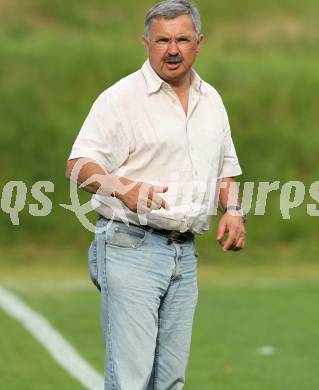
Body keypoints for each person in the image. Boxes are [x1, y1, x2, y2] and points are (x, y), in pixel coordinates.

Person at [66, 1, 246, 389]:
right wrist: (123, 189)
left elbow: (225, 169)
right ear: (145, 43)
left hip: (186, 254)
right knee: (131, 380)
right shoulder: (121, 99)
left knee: (170, 382)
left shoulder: (211, 100)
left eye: (182, 38)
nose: (172, 49)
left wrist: (232, 211)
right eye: (162, 40)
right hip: (129, 247)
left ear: (199, 43)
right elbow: (78, 165)